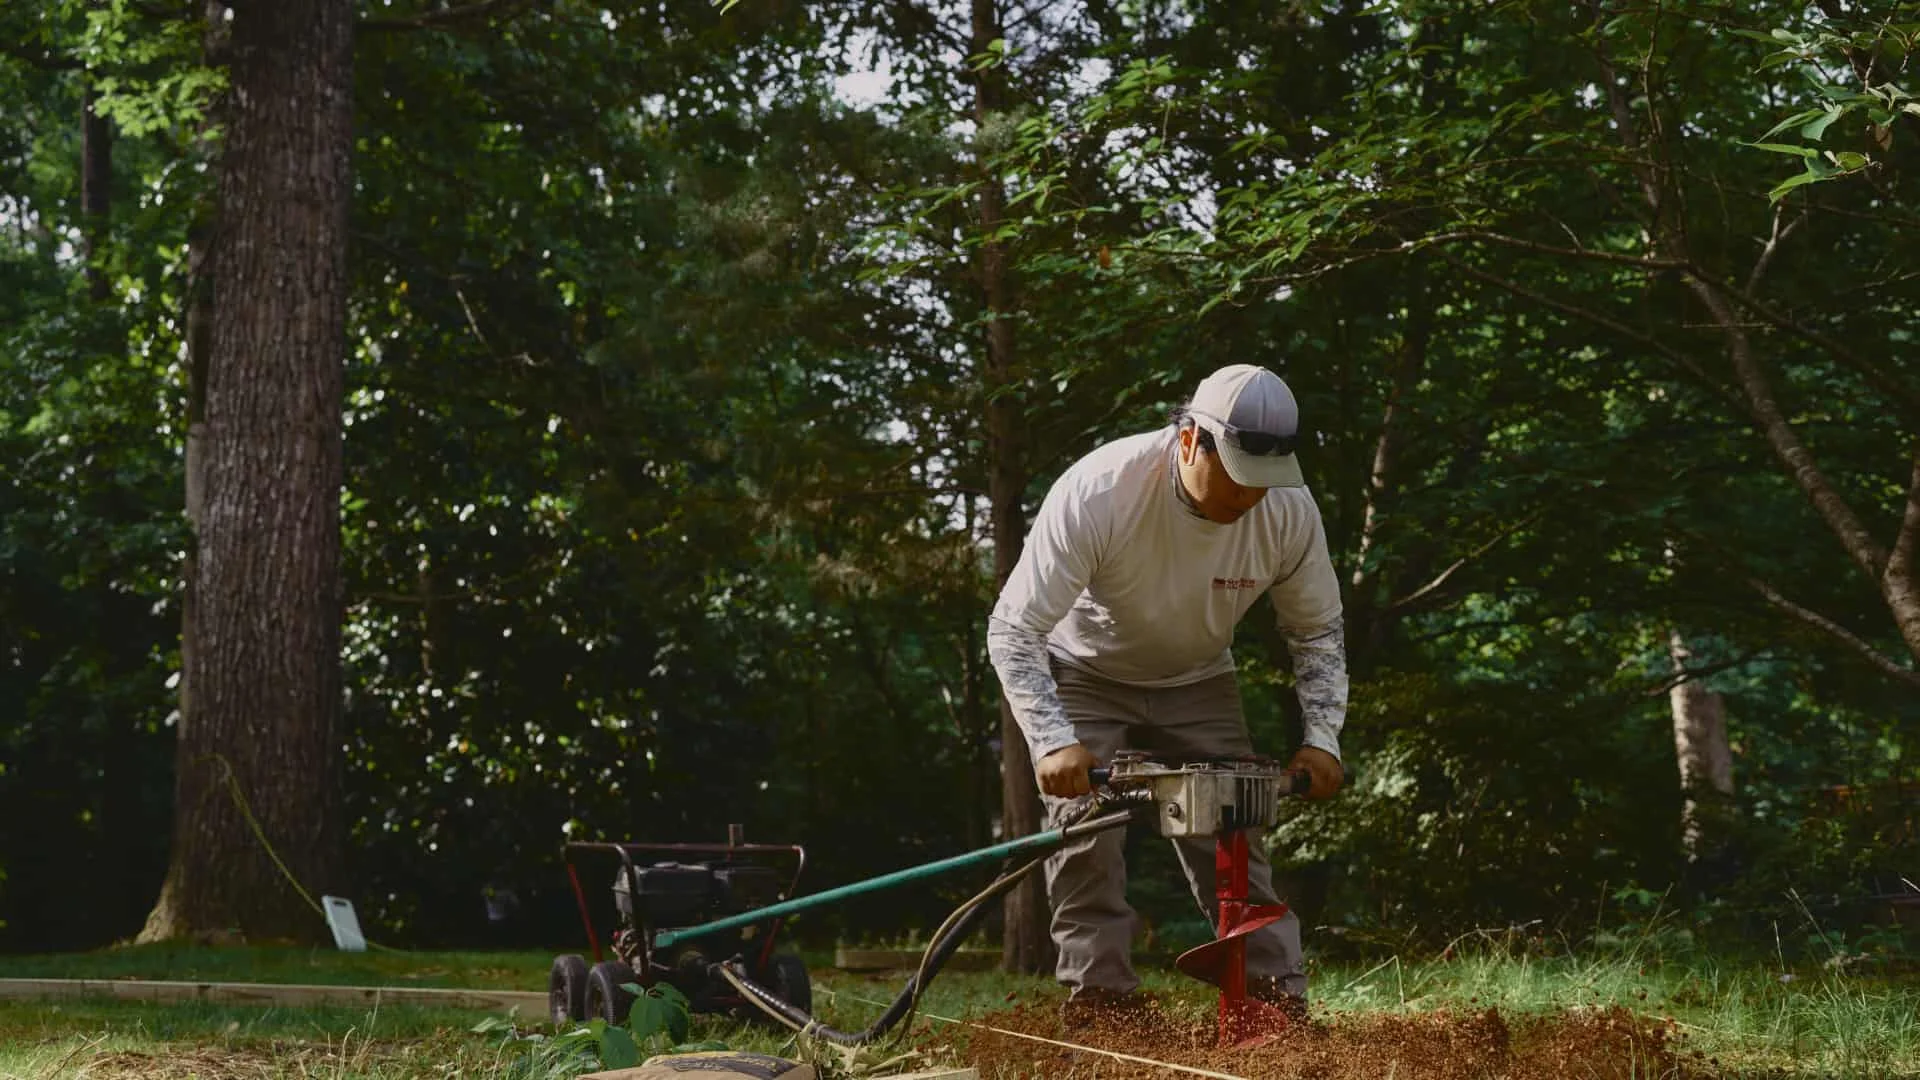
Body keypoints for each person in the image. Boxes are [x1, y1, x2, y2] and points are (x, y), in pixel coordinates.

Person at [987, 363, 1348, 1025]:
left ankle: (1270, 1005)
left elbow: (1317, 630)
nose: (1252, 497)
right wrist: (1051, 738)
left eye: (1266, 481)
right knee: (1084, 836)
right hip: (1087, 673)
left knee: (1234, 828)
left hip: (1199, 679)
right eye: (1238, 474)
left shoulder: (1288, 513)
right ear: (1190, 442)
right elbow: (1014, 629)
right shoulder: (1102, 491)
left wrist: (1321, 740)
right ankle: (1102, 1000)